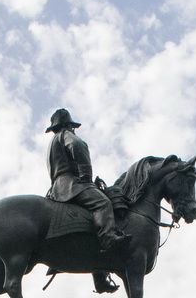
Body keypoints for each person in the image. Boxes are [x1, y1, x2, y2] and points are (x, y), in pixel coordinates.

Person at [45, 108, 131, 258]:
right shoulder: (66, 135)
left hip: (56, 188)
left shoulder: (52, 144)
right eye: (72, 126)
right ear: (68, 125)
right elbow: (77, 145)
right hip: (71, 185)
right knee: (102, 203)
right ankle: (108, 238)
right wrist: (86, 173)